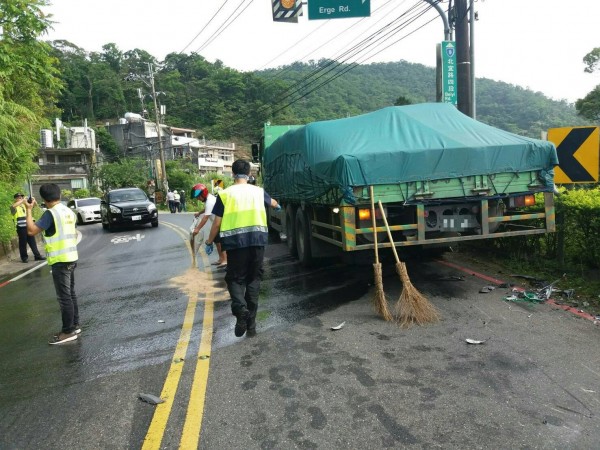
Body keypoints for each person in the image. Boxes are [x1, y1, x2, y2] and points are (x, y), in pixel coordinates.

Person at [205, 160, 281, 337]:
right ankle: (251, 327)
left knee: (235, 279)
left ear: (232, 174)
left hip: (235, 243)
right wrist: (277, 206)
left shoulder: (224, 194)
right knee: (253, 280)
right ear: (249, 173)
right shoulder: (258, 191)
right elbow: (274, 203)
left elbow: (217, 223)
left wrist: (209, 241)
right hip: (257, 241)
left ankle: (240, 310)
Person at [25, 184, 80, 345]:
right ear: (60, 194)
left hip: (60, 260)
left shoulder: (51, 214)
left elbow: (31, 231)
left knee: (64, 298)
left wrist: (29, 210)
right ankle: (75, 326)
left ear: (43, 199)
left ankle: (68, 331)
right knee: (71, 294)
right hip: (71, 256)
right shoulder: (69, 211)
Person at [191, 183, 226, 266]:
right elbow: (207, 209)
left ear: (203, 194)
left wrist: (197, 229)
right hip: (217, 222)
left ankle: (225, 260)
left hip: (220, 223)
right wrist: (199, 213)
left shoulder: (209, 201)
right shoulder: (209, 199)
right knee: (217, 241)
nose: (198, 199)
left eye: (198, 197)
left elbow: (205, 218)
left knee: (220, 242)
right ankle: (221, 259)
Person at [10, 193, 45, 263]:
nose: (20, 198)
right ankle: (24, 258)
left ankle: (37, 256)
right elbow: (13, 207)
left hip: (29, 226)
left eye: (21, 197)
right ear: (15, 199)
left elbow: (35, 205)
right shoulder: (14, 206)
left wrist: (34, 200)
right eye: (18, 197)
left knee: (32, 242)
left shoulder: (25, 205)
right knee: (23, 243)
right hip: (21, 227)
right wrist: (23, 200)